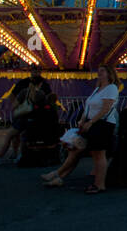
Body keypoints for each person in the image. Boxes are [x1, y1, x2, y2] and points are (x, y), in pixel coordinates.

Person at [41, 65, 119, 194]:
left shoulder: (111, 88)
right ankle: (59, 176)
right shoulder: (98, 89)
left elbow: (106, 108)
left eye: (103, 71)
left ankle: (99, 184)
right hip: (91, 124)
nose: (99, 73)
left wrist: (91, 122)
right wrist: (83, 120)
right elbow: (88, 107)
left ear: (110, 74)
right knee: (77, 150)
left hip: (102, 125)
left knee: (98, 154)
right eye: (98, 71)